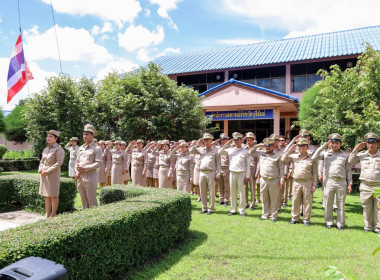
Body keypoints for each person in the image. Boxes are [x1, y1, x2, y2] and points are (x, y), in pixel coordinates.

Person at [312, 133, 352, 230]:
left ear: (340, 144)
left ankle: (340, 223)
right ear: (330, 143)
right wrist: (323, 146)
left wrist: (350, 183)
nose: (334, 145)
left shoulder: (345, 155)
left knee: (341, 203)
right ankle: (329, 221)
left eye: (337, 143)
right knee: (328, 202)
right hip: (329, 181)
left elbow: (348, 170)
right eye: (332, 143)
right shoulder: (325, 154)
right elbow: (314, 157)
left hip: (341, 182)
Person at [348, 133, 380, 234]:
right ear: (366, 144)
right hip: (365, 185)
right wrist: (356, 149)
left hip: (378, 185)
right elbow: (350, 161)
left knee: (378, 207)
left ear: (378, 144)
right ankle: (368, 226)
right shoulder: (362, 155)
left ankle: (378, 228)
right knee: (366, 207)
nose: (370, 145)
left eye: (373, 142)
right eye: (368, 143)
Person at [282, 138, 318, 226]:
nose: (301, 148)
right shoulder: (293, 156)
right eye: (300, 146)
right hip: (296, 182)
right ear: (297, 147)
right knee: (295, 201)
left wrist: (315, 184)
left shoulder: (311, 158)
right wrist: (291, 149)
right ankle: (294, 218)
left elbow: (315, 172)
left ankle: (306, 219)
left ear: (307, 147)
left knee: (307, 202)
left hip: (307, 182)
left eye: (303, 146)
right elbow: (283, 159)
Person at [249, 138, 285, 222]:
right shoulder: (261, 153)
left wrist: (282, 179)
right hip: (263, 179)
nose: (267, 147)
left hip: (274, 179)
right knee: (264, 198)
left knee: (274, 199)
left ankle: (274, 216)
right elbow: (250, 152)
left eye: (269, 145)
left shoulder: (278, 155)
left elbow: (281, 168)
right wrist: (257, 145)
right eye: (266, 145)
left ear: (273, 146)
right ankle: (265, 214)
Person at [219, 132, 250, 217]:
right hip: (232, 173)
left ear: (241, 141)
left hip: (241, 173)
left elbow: (248, 165)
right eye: (235, 140)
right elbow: (220, 152)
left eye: (238, 140)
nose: (236, 141)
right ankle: (233, 210)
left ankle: (242, 211)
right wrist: (227, 143)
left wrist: (247, 176)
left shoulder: (245, 151)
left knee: (241, 192)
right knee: (232, 192)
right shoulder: (230, 150)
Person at [189, 133, 221, 215]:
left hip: (211, 172)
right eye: (205, 140)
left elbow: (218, 163)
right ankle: (204, 207)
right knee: (202, 191)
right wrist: (197, 143)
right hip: (202, 172)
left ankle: (211, 208)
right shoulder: (201, 149)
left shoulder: (216, 150)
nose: (206, 142)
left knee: (211, 191)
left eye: (208, 140)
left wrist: (218, 174)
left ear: (211, 140)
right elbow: (190, 151)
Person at [38, 130, 65, 218]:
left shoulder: (59, 149)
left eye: (50, 136)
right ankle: (47, 213)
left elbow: (59, 162)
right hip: (44, 173)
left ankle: (53, 214)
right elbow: (42, 161)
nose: (48, 138)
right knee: (46, 195)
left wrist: (48, 170)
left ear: (56, 138)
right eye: (47, 136)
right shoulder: (45, 149)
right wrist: (40, 168)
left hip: (53, 174)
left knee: (53, 195)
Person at [75, 124, 102, 209]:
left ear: (93, 135)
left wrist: (86, 168)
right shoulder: (81, 148)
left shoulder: (97, 148)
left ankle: (94, 220)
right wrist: (77, 171)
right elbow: (77, 161)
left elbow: (98, 163)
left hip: (90, 176)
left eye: (87, 134)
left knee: (92, 201)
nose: (85, 136)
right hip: (80, 177)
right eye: (84, 134)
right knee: (83, 201)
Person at [245, 132, 258, 210]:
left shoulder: (256, 148)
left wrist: (257, 171)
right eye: (248, 140)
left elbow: (258, 161)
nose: (249, 141)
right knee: (245, 187)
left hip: (253, 169)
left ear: (253, 140)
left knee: (252, 187)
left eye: (250, 140)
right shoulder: (244, 148)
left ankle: (252, 203)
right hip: (245, 170)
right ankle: (246, 202)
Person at [218, 133, 230, 206]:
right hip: (219, 168)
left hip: (227, 168)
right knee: (220, 185)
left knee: (226, 185)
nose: (222, 141)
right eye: (221, 139)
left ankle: (226, 199)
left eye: (224, 139)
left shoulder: (230, 148)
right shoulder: (218, 147)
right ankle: (221, 199)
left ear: (227, 140)